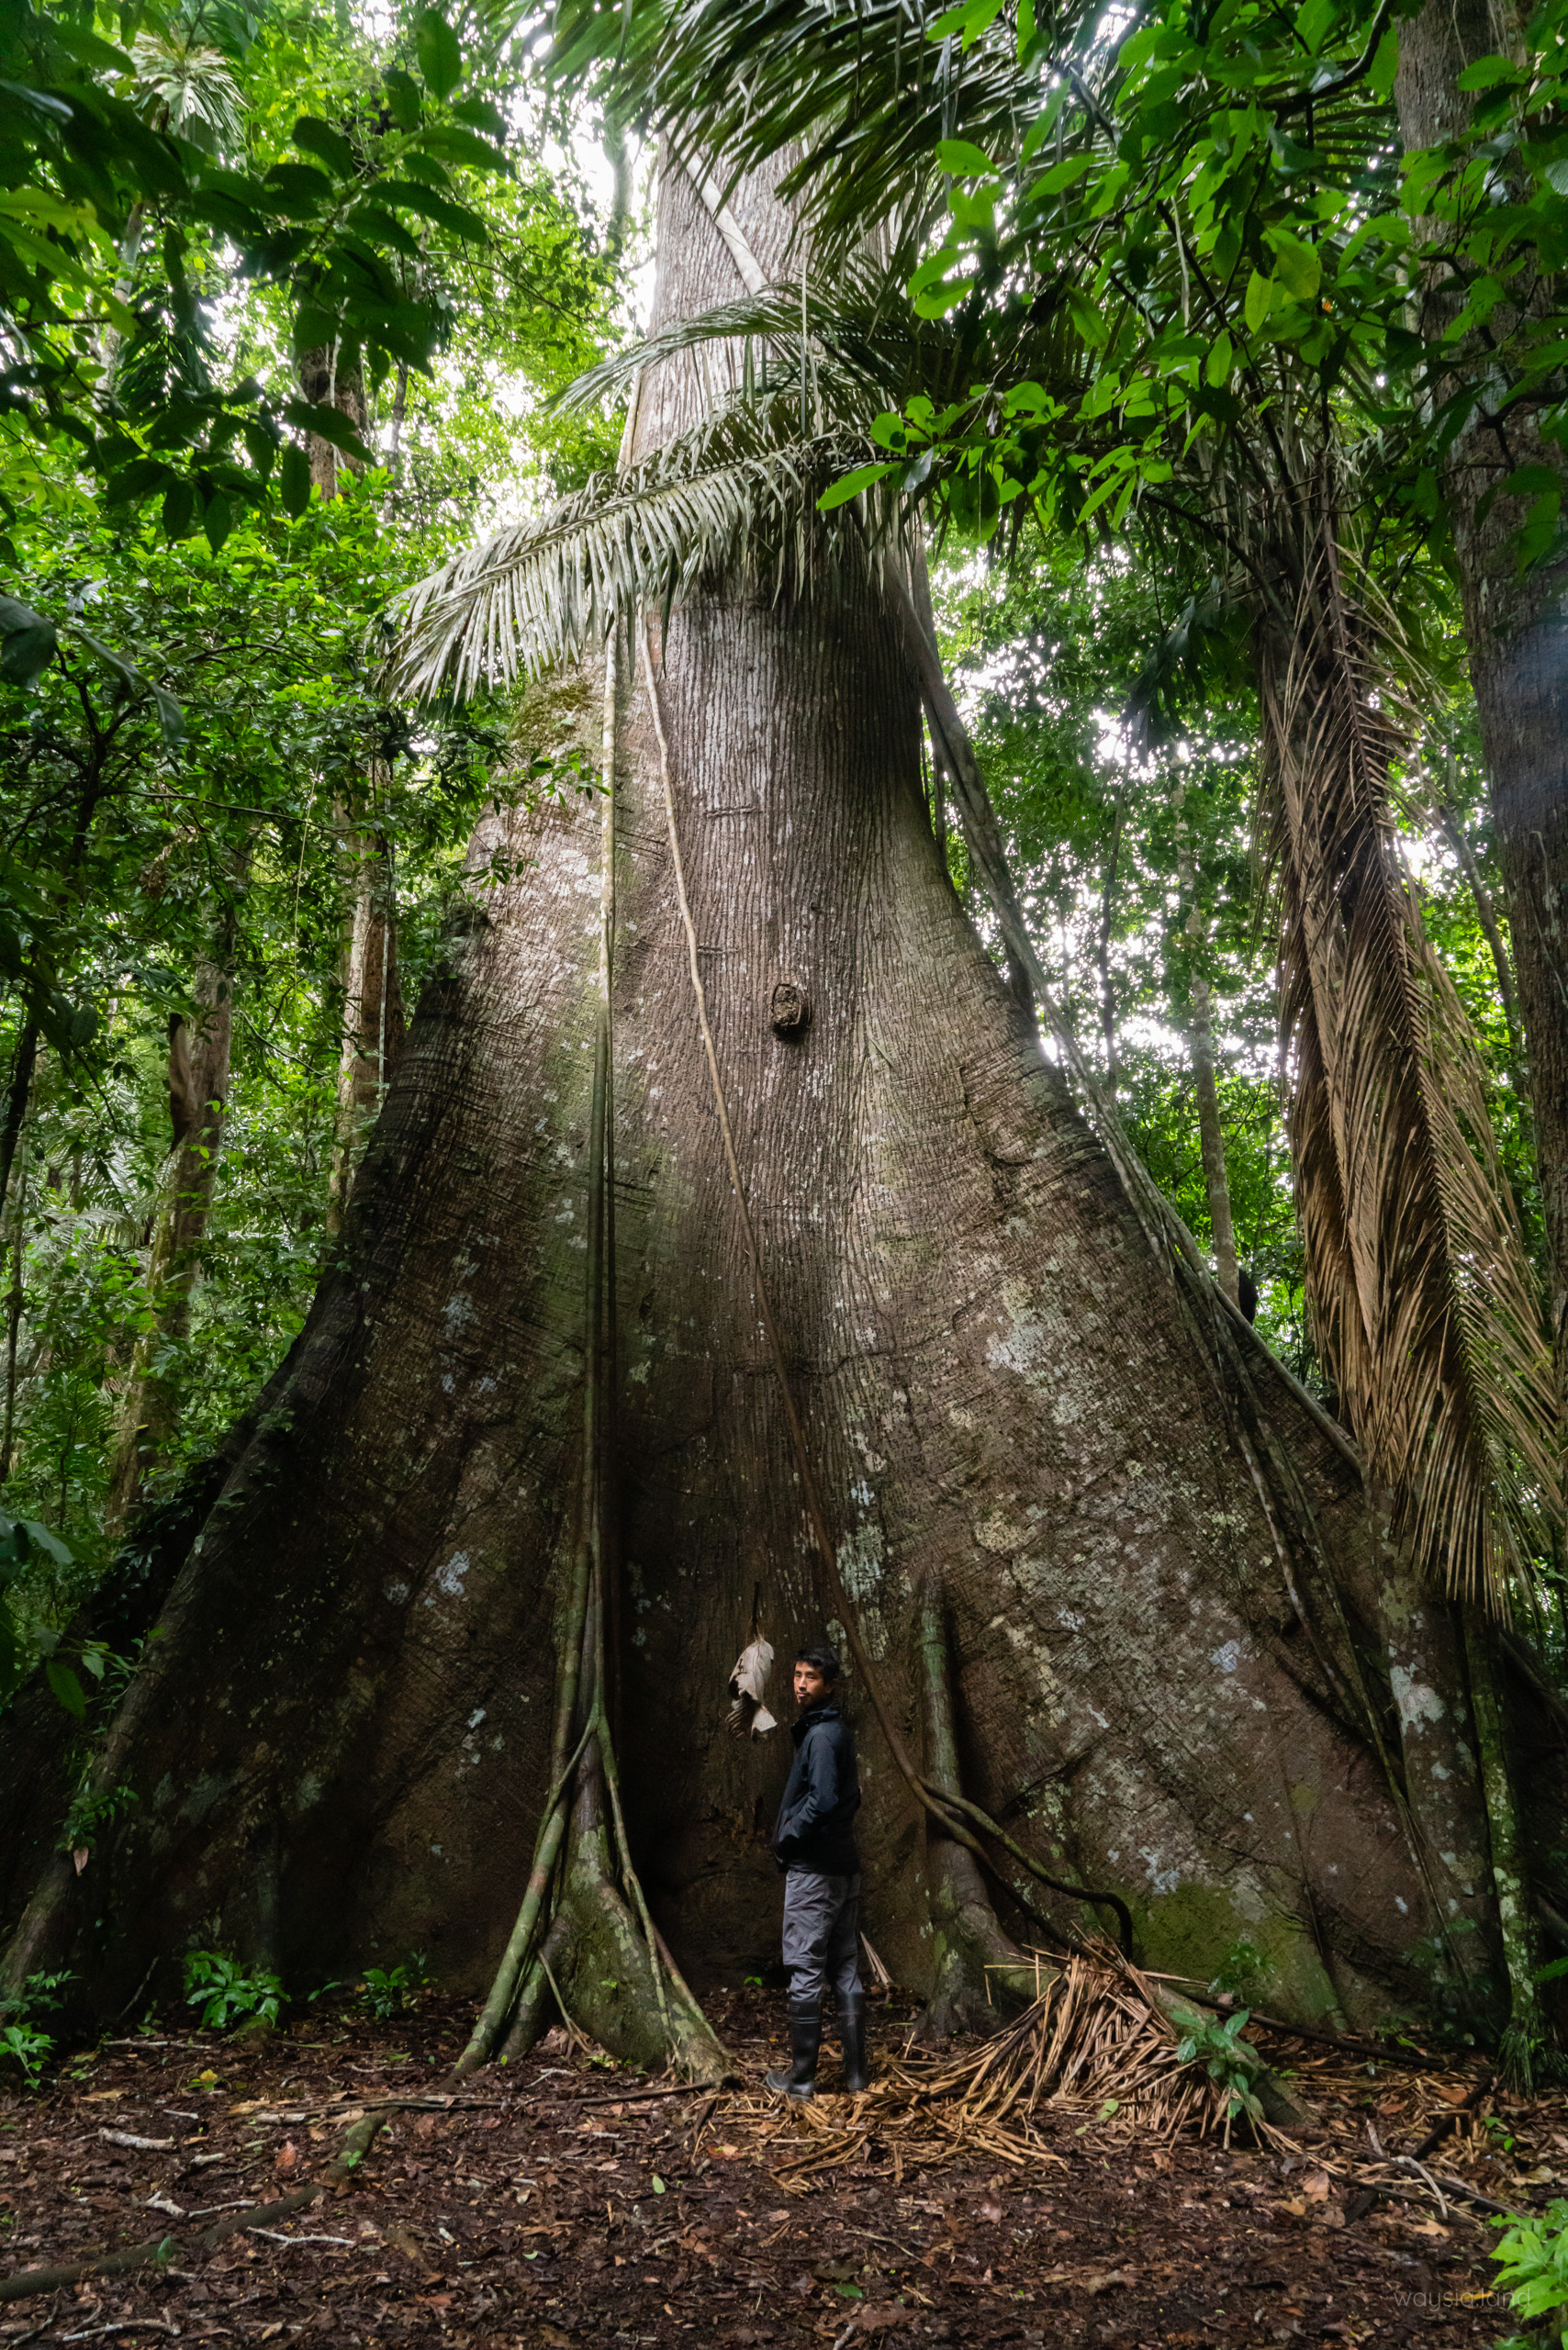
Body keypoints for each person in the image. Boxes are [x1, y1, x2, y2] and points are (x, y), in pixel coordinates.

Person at [765, 1644, 868, 2099]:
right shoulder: (829, 1730)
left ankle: (802, 2079)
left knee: (806, 1968)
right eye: (797, 1674)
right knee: (844, 1967)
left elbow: (824, 1800)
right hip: (843, 1869)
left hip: (817, 1872)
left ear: (830, 1685)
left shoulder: (823, 1736)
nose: (801, 1683)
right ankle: (856, 2077)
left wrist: (788, 1835)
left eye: (811, 1677)